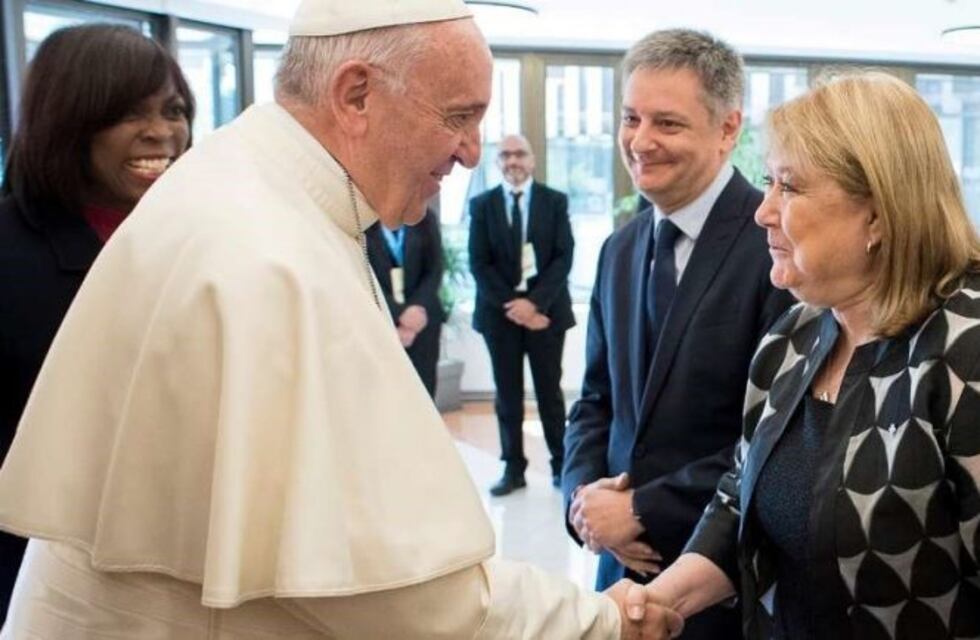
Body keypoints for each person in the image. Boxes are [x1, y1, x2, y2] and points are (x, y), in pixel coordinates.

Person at [0, 2, 683, 638]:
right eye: (458, 116)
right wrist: (601, 620)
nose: (472, 151)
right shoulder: (267, 254)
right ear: (356, 95)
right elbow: (391, 592)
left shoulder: (253, 188)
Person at [643, 71, 980, 640]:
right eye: (768, 183)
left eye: (789, 188)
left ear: (877, 213)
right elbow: (738, 498)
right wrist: (655, 601)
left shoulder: (964, 346)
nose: (763, 211)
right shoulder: (793, 336)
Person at [562, 28, 794, 639]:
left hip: (722, 576)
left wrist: (639, 511)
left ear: (727, 130)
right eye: (630, 118)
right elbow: (594, 403)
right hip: (618, 570)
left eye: (666, 123)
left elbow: (777, 435)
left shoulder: (776, 249)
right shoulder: (619, 248)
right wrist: (584, 505)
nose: (640, 141)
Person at [0, 23, 193, 622]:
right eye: (128, 114)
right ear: (70, 122)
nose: (162, 132)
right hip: (38, 581)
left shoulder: (193, 239)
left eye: (174, 110)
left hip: (170, 573)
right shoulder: (9, 251)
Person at [470, 133, 575, 495]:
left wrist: (535, 305)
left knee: (550, 393)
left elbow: (564, 257)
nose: (513, 161)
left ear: (532, 160)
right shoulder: (482, 205)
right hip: (500, 317)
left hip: (546, 315)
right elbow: (479, 263)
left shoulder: (554, 202)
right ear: (498, 162)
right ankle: (513, 469)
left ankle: (561, 465)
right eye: (505, 155)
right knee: (507, 395)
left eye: (519, 154)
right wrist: (515, 308)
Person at [366, 209, 445, 398]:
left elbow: (435, 268)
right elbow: (363, 274)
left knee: (425, 391)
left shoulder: (425, 219)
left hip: (423, 320)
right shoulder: (364, 222)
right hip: (380, 319)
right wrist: (398, 314)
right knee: (387, 394)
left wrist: (415, 310)